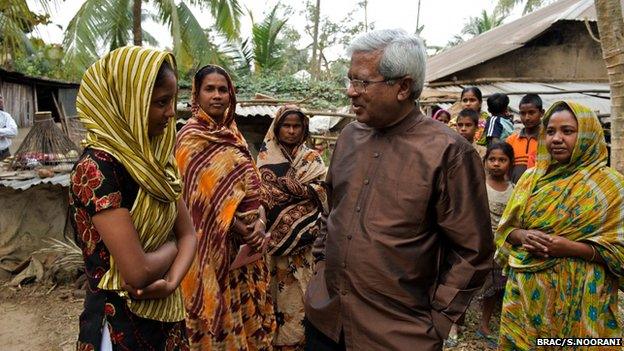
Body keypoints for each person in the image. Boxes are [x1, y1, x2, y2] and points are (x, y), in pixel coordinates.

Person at [304, 29, 494, 351]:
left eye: (362, 82)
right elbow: (330, 212)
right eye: (349, 80)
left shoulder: (449, 153)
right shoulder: (348, 138)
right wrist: (321, 267)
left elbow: (473, 251)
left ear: (403, 87)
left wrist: (438, 321)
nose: (351, 92)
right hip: (325, 320)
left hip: (398, 337)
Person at [70, 46, 196, 350]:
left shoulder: (154, 162)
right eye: (161, 103)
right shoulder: (98, 168)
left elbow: (190, 234)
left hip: (165, 317)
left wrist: (170, 281)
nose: (170, 113)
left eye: (172, 102)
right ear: (129, 104)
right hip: (120, 326)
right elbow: (137, 272)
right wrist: (173, 248)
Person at [495, 101, 624, 350]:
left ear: (587, 134)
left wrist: (571, 248)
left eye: (567, 131)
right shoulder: (531, 179)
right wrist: (522, 236)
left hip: (585, 301)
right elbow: (505, 230)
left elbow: (620, 249)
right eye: (551, 131)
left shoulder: (611, 188)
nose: (556, 138)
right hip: (525, 298)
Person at [175, 64, 275, 350]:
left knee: (246, 322)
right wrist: (240, 227)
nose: (217, 95)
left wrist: (260, 223)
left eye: (223, 89)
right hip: (211, 253)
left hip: (245, 256)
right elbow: (195, 202)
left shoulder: (235, 135)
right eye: (210, 89)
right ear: (197, 95)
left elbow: (254, 187)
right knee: (218, 328)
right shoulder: (190, 140)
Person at [256, 105, 328, 350]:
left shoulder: (312, 159)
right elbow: (263, 196)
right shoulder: (265, 159)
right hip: (273, 250)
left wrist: (300, 191)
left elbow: (323, 192)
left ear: (304, 128)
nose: (291, 131)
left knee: (301, 301)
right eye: (286, 126)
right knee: (273, 298)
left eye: (297, 126)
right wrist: (299, 192)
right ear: (277, 128)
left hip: (305, 249)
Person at [476, 142, 514, 349]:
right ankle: (456, 322)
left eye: (502, 160)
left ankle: (484, 324)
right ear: (485, 162)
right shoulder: (479, 186)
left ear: (510, 163)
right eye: (492, 159)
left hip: (502, 247)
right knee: (468, 283)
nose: (497, 164)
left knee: (495, 287)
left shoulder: (514, 190)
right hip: (479, 243)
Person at [506, 94, 543, 183]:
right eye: (523, 113)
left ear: (542, 113)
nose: (527, 118)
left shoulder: (546, 141)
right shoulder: (511, 140)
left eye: (531, 112)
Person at [0, 93, 18, 161]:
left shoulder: (5, 116)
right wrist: (4, 131)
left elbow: (14, 132)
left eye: (1, 98)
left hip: (5, 155)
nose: (1, 100)